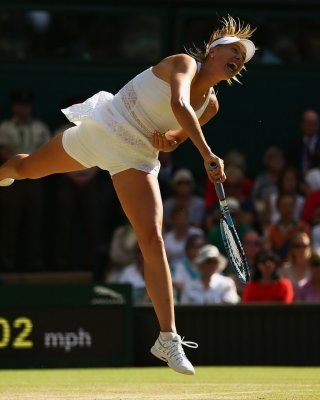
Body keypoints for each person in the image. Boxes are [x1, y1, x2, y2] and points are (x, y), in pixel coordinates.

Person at [0, 16, 256, 374]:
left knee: (152, 241)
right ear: (213, 51)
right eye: (234, 50)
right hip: (105, 129)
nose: (239, 59)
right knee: (25, 170)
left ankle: (167, 338)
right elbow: (180, 105)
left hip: (135, 158)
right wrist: (208, 154)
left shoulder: (211, 106)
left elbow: (171, 138)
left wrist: (165, 141)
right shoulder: (182, 62)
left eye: (243, 59)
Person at [0, 89, 51, 271]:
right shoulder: (5, 127)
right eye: (21, 105)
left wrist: (31, 167)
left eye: (27, 105)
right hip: (12, 179)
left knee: (34, 222)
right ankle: (7, 264)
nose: (24, 109)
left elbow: (46, 151)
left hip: (35, 178)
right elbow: (4, 151)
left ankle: (34, 264)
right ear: (14, 107)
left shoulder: (40, 127)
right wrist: (19, 168)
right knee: (10, 222)